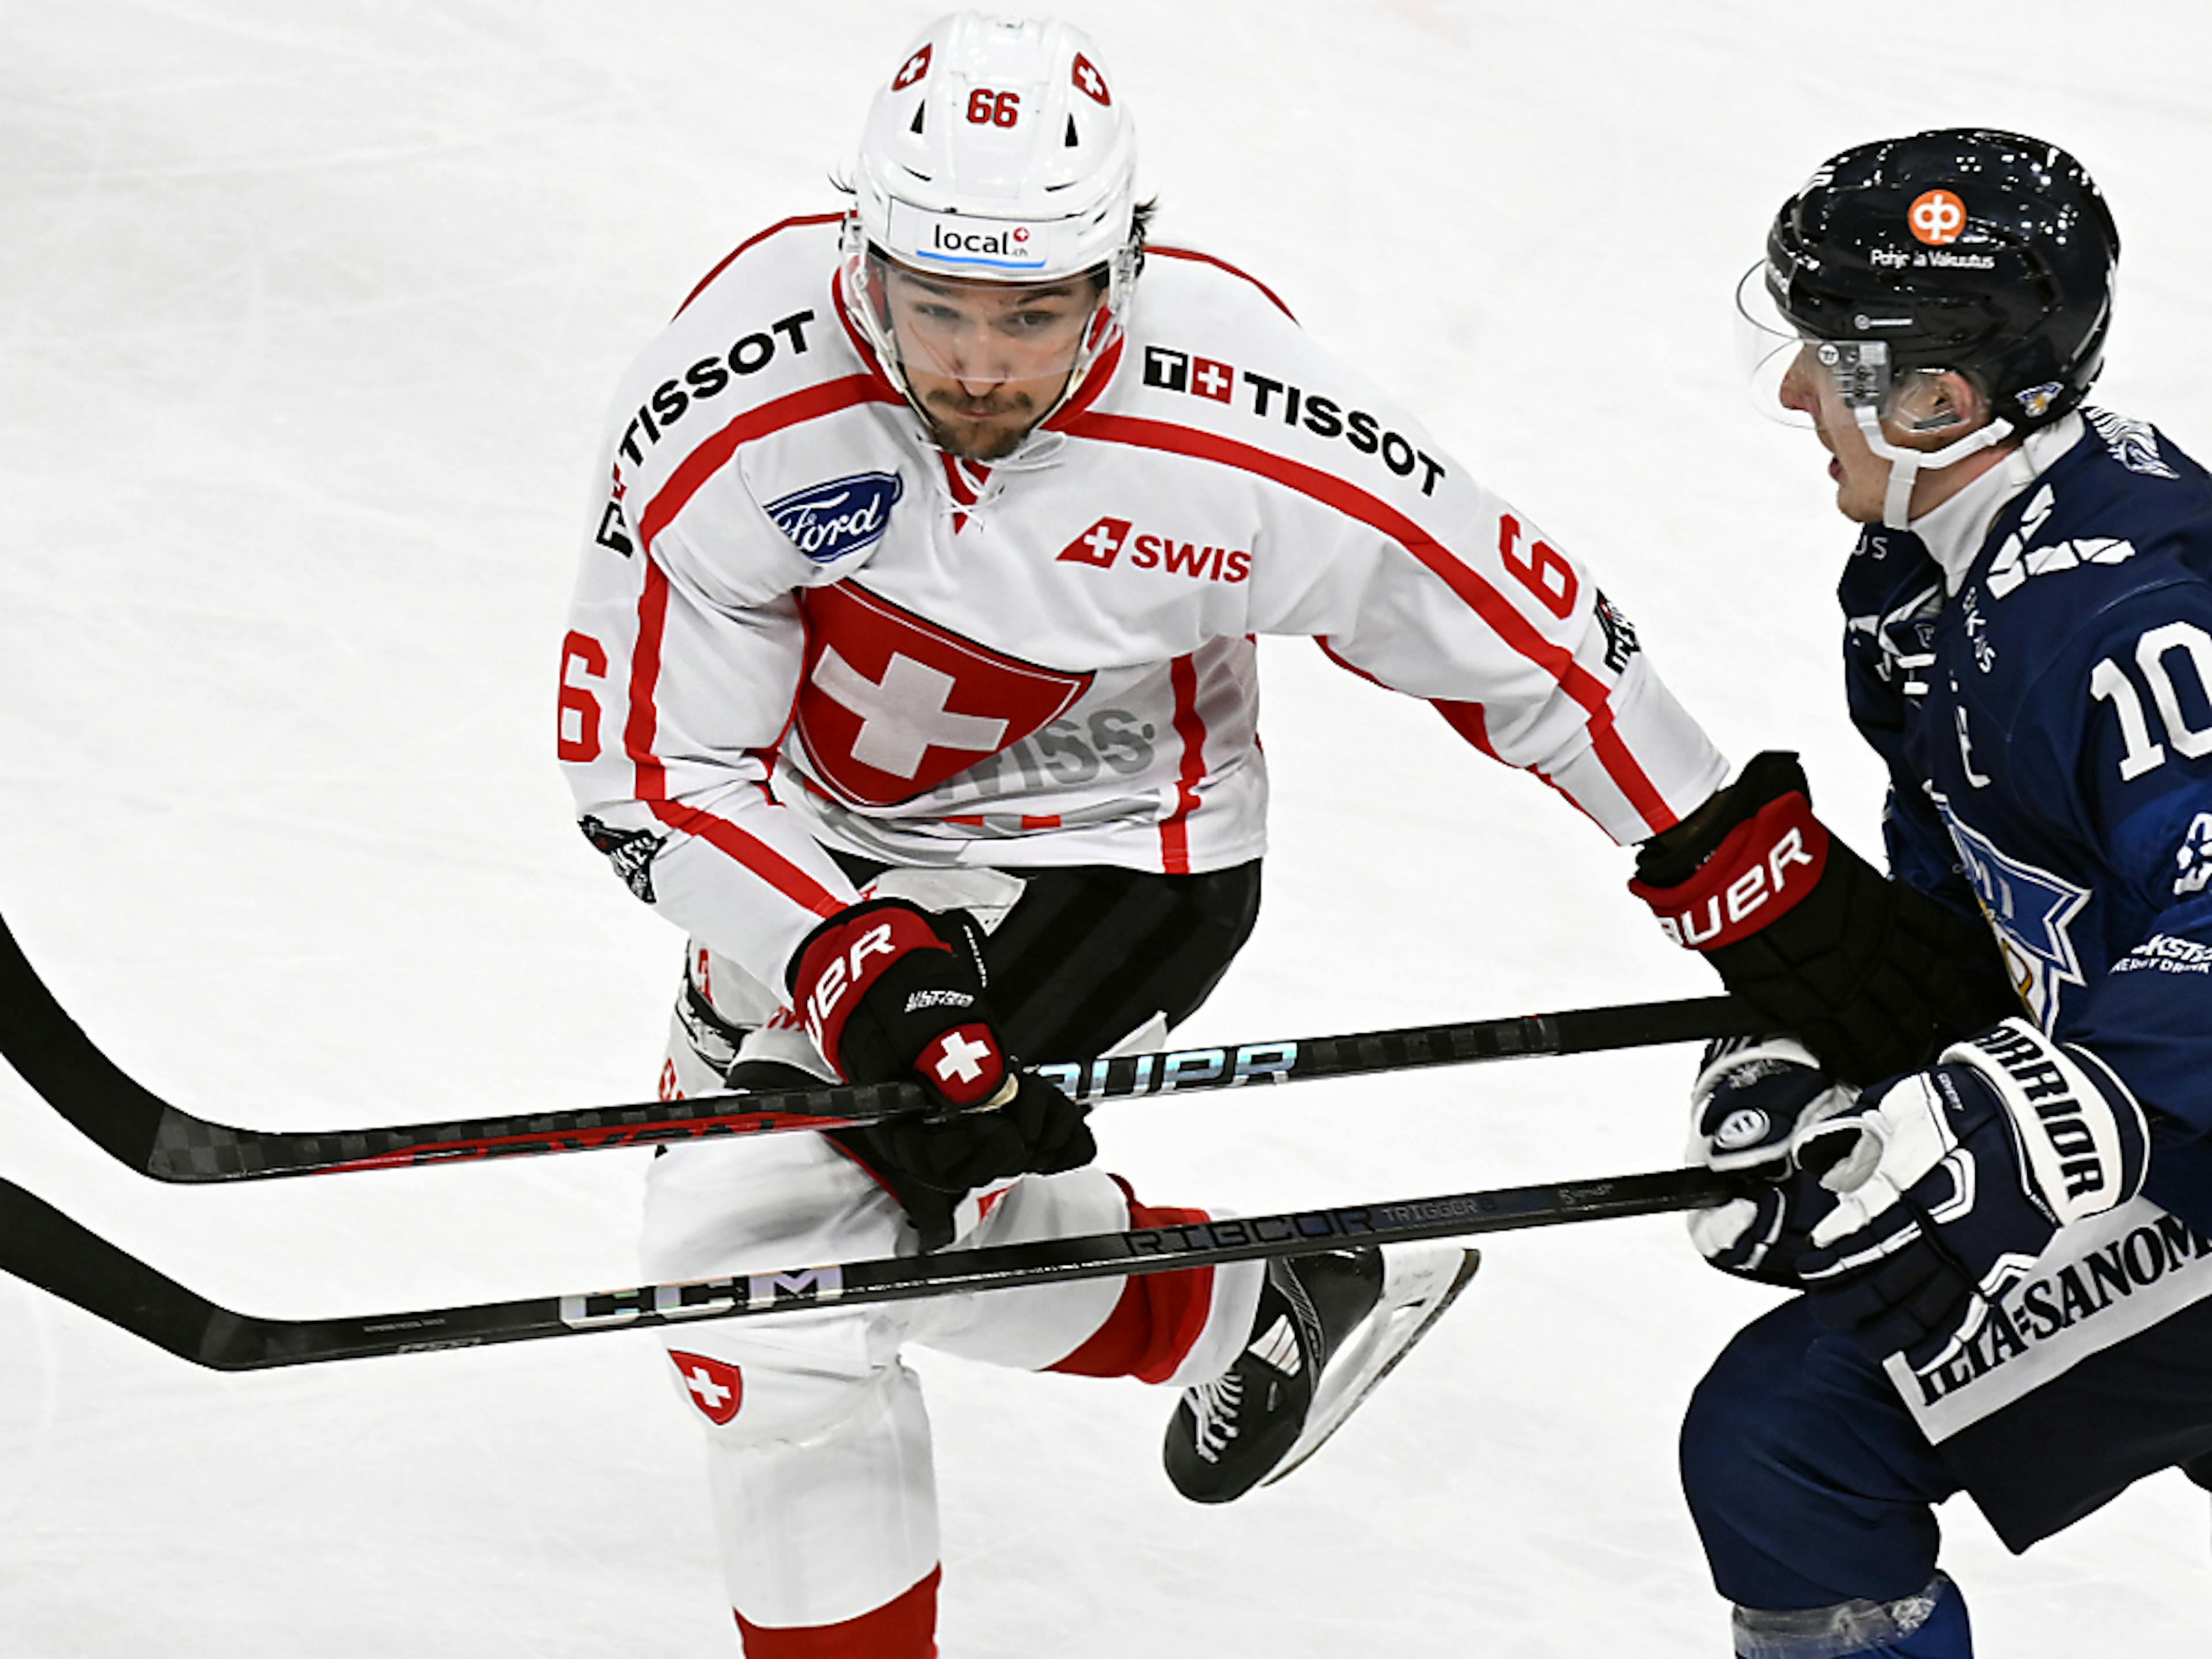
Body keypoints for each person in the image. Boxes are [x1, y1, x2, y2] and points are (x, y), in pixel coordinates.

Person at [558, 13, 1745, 1653]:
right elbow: (656, 774)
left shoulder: (1241, 415)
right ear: (860, 257)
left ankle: (1241, 1301)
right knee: (766, 1295)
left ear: (1121, 269)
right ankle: (1264, 1298)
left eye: (1034, 312)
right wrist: (842, 950)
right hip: (839, 859)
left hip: (1120, 849)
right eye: (938, 307)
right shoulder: (732, 398)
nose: (979, 362)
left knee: (753, 1266)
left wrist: (1762, 890)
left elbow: (1530, 647)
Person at [1631, 128, 2212, 1657]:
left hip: (2187, 1149)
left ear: (1939, 400)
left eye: (1825, 354)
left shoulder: (2130, 616)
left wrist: (2023, 1114)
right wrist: (1824, 1042)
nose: (1792, 391)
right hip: (2180, 1156)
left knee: (1793, 1435)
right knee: (1786, 1438)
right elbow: (1981, 926)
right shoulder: (1920, 585)